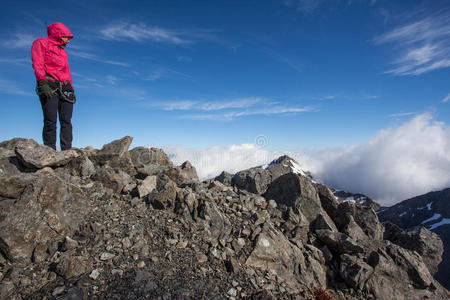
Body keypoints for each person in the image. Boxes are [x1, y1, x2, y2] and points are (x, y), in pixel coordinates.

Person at [31, 22, 76, 151]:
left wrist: (71, 89)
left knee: (66, 120)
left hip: (65, 87)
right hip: (49, 84)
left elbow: (67, 72)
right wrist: (42, 82)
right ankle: (50, 150)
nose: (68, 40)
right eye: (67, 37)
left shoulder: (63, 52)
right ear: (59, 34)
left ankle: (66, 151)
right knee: (50, 119)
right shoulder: (40, 43)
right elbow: (38, 63)